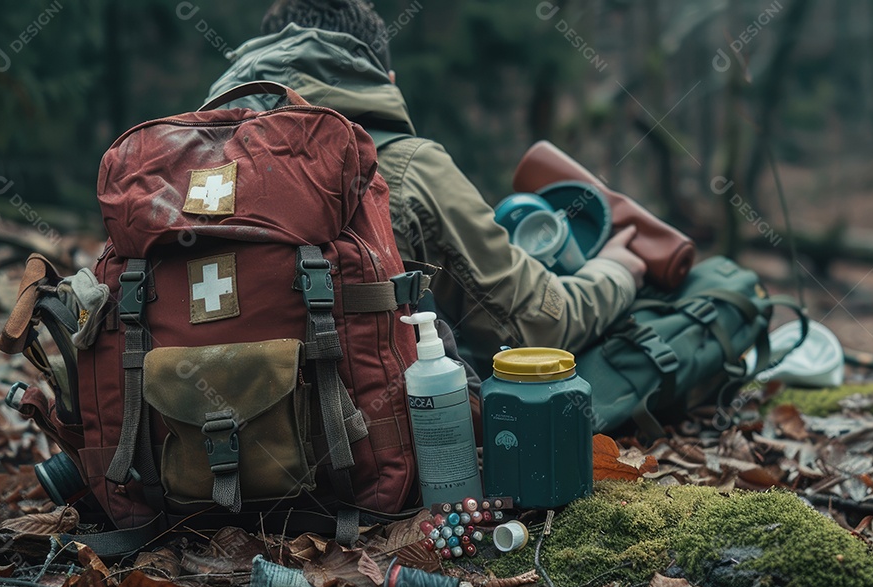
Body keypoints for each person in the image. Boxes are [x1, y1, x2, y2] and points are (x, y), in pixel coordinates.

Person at [206, 0, 646, 376]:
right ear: (386, 80)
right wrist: (617, 270)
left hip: (201, 440)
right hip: (367, 444)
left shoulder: (197, 175)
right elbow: (537, 327)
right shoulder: (408, 166)